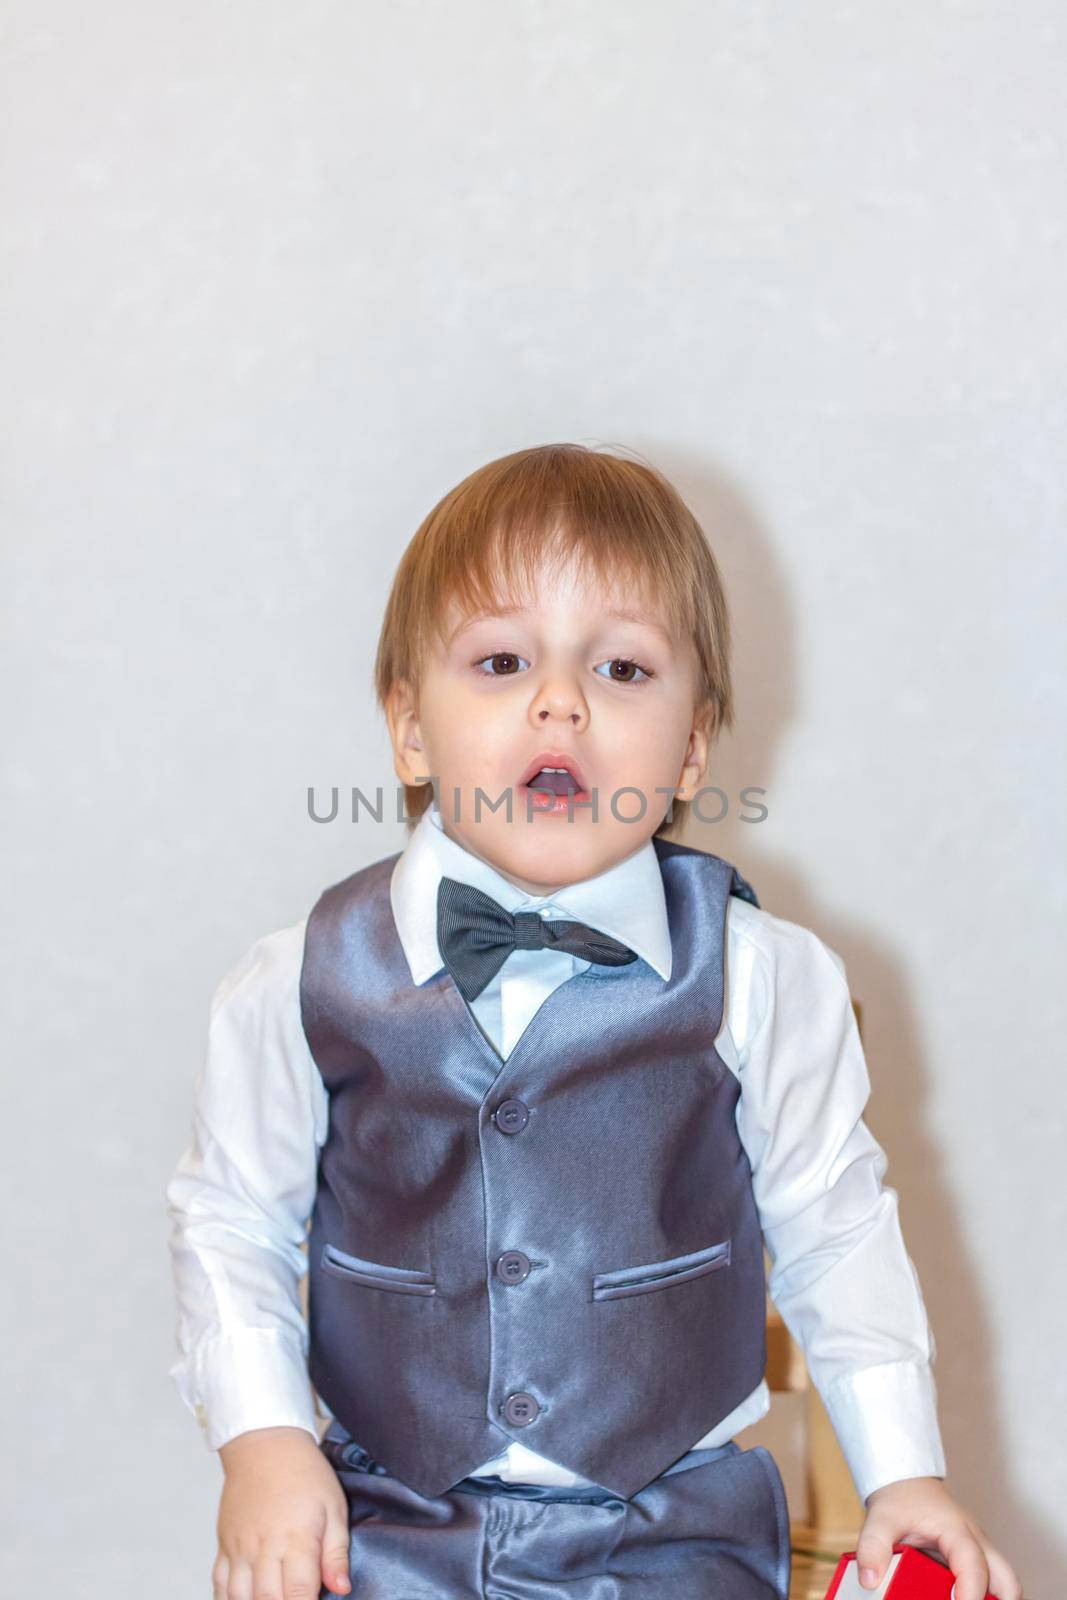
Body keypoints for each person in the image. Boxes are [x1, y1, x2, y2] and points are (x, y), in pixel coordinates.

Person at [166, 444, 1022, 1600]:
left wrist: (902, 1476)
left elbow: (835, 1230)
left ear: (693, 746)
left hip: (671, 1534)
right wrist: (261, 1438)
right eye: (502, 659)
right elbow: (232, 1223)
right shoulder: (294, 981)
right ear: (408, 726)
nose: (558, 699)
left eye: (621, 668)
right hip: (380, 1528)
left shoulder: (766, 979)